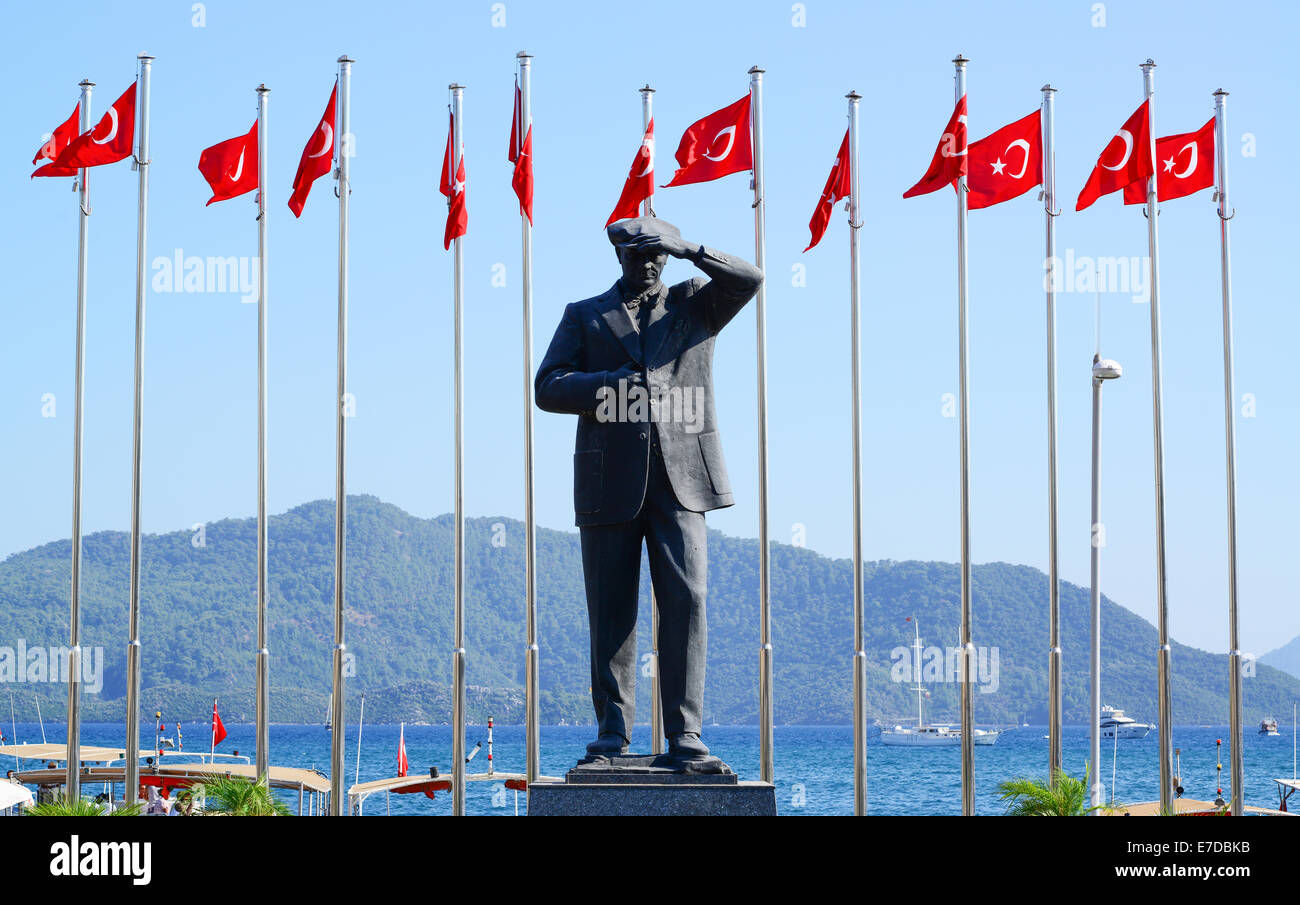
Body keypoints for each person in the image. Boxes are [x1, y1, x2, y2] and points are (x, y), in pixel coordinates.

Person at [535, 216, 762, 758]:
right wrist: (609, 383)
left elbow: (750, 280)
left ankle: (685, 733)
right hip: (606, 482)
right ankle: (613, 731)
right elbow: (547, 387)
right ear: (620, 258)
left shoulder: (695, 305)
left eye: (659, 256)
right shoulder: (585, 315)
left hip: (684, 482)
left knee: (687, 602)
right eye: (640, 256)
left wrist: (689, 248)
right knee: (610, 609)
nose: (650, 265)